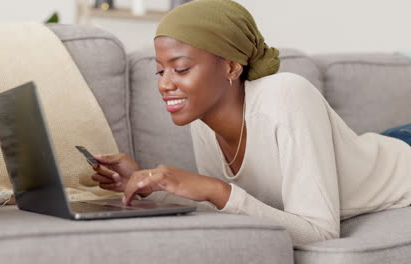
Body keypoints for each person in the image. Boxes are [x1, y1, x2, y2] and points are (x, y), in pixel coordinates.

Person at [90, 0, 411, 246]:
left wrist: (216, 189)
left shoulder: (287, 95)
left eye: (182, 69)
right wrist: (149, 185)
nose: (164, 84)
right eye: (160, 71)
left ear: (231, 68)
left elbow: (320, 232)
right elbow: (232, 210)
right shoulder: (202, 120)